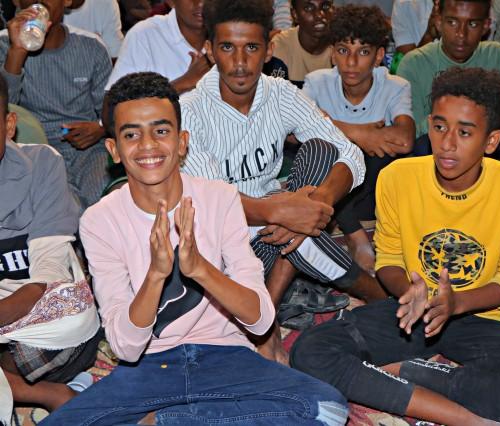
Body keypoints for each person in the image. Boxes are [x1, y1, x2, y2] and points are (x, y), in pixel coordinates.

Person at [42, 71, 349, 426]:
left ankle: (167, 421)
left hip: (226, 358)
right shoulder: (99, 220)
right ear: (114, 150)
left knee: (327, 408)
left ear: (182, 142)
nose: (148, 146)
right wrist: (155, 277)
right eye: (131, 134)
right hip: (149, 368)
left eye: (161, 131)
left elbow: (261, 319)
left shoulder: (220, 198)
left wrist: (201, 269)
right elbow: (126, 347)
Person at [290, 67, 500, 426]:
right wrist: (410, 291)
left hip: (479, 315)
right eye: (439, 127)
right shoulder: (398, 177)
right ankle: (465, 419)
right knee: (310, 351)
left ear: (491, 141)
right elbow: (389, 258)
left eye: (464, 132)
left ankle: (420, 374)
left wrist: (457, 303)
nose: (447, 143)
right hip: (413, 311)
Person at [181, 0, 387, 362]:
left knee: (322, 151)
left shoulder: (280, 93)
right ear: (209, 50)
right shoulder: (190, 109)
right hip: (226, 245)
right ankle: (378, 297)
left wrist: (317, 204)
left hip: (277, 228)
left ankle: (267, 309)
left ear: (268, 50)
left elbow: (349, 152)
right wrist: (284, 213)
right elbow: (215, 202)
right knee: (299, 234)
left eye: (251, 47)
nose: (240, 62)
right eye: (227, 47)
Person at [0, 74, 100, 425]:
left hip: (35, 312)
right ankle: (45, 393)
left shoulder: (42, 163)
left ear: (8, 125)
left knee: (74, 319)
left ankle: (10, 383)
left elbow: (47, 277)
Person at [302, 4, 415, 275]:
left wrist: (331, 125)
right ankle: (355, 236)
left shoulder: (395, 86)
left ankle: (380, 228)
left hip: (369, 191)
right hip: (330, 186)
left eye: (363, 52)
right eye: (343, 51)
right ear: (332, 53)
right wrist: (361, 133)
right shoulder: (316, 82)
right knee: (320, 150)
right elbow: (295, 130)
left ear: (378, 56)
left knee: (393, 154)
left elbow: (405, 140)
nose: (351, 62)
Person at [0, 0, 112, 208]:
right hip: (30, 148)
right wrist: (17, 51)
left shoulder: (91, 46)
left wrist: (100, 128)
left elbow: (110, 113)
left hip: (86, 149)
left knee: (104, 198)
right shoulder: (4, 44)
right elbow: (6, 111)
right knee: (60, 206)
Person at [397, 0, 500, 164]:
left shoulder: (494, 55)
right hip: (439, 146)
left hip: (484, 143)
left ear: (486, 26)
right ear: (438, 22)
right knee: (421, 145)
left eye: (473, 24)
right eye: (452, 22)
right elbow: (413, 132)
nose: (461, 34)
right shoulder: (414, 63)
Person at [105, 0, 211, 94]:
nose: (201, 3)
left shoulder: (220, 36)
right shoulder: (144, 36)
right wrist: (184, 82)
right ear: (171, 1)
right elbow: (111, 105)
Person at [268, 0, 335, 87]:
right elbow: (276, 93)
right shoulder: (281, 45)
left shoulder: (342, 45)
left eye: (325, 6)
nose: (319, 15)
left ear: (334, 10)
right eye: (308, 8)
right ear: (294, 14)